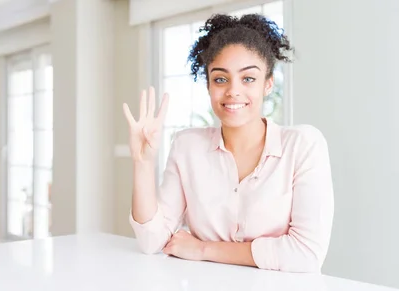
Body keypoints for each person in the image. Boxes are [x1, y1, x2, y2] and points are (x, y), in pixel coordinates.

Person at [123, 13, 334, 273]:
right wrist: (142, 162)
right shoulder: (187, 146)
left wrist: (203, 249)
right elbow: (151, 240)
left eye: (248, 79)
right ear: (209, 85)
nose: (233, 91)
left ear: (268, 84)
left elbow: (306, 254)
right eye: (220, 79)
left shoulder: (303, 146)